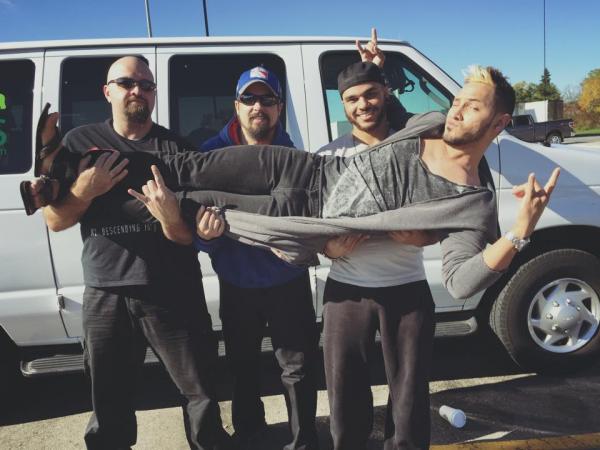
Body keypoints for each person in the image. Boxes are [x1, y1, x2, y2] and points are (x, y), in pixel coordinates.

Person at [23, 63, 558, 302]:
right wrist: (376, 70)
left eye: (472, 106)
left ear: (498, 124)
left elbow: (462, 282)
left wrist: (519, 233)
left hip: (304, 214)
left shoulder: (470, 204)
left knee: (183, 201)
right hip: (300, 168)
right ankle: (60, 172)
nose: (458, 109)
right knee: (187, 168)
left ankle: (75, 193)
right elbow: (376, 103)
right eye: (458, 99)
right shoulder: (428, 122)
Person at [38, 56, 231, 450]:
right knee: (108, 400)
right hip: (106, 292)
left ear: (154, 93)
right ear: (107, 92)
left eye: (146, 84)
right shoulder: (78, 145)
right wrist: (85, 191)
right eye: (126, 83)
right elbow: (55, 221)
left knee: (201, 394)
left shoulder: (178, 149)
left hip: (173, 289)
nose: (137, 90)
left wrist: (170, 217)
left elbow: (186, 238)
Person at [316, 32, 439, 449]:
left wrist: (424, 236)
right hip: (346, 293)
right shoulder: (329, 157)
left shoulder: (415, 148)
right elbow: (315, 226)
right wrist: (329, 249)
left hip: (407, 288)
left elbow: (441, 214)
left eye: (370, 94)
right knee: (345, 399)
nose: (363, 105)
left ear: (386, 93)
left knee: (409, 400)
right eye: (352, 99)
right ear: (342, 105)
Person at [192, 67, 319, 450]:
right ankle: (249, 435)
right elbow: (195, 224)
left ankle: (303, 440)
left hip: (288, 281)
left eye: (267, 99)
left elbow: (310, 219)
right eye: (249, 98)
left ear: (279, 107)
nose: (257, 106)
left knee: (297, 369)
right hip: (236, 282)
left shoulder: (295, 157)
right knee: (241, 366)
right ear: (236, 105)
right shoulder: (209, 156)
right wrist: (206, 239)